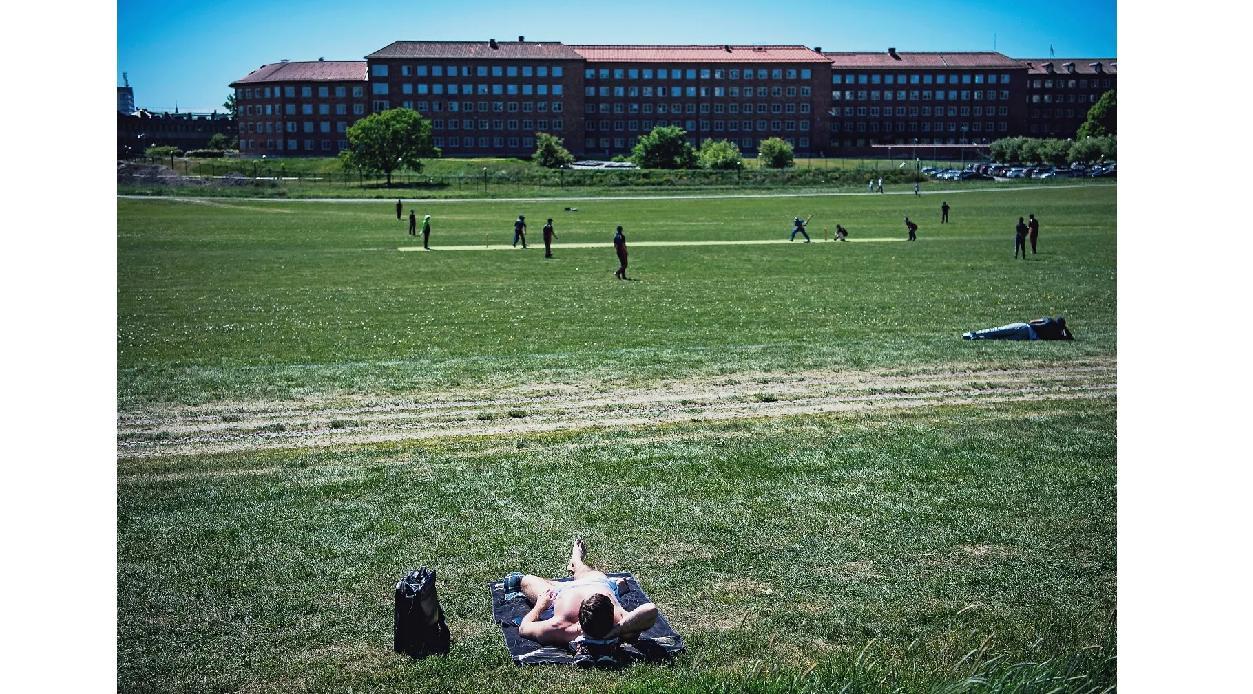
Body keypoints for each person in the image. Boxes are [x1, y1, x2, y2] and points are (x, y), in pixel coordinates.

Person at [512, 537, 659, 650]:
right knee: (582, 569)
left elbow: (524, 628)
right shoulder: (622, 621)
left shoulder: (561, 628)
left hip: (571, 591)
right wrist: (616, 631)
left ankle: (576, 564)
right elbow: (650, 609)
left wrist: (540, 606)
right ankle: (576, 560)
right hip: (594, 584)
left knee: (526, 580)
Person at [963, 316, 1074, 341]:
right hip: (1030, 337)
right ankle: (979, 338)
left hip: (1025, 328)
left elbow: (1032, 322)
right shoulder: (1058, 335)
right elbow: (1070, 338)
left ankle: (974, 334)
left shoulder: (1049, 320)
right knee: (1002, 338)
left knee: (999, 330)